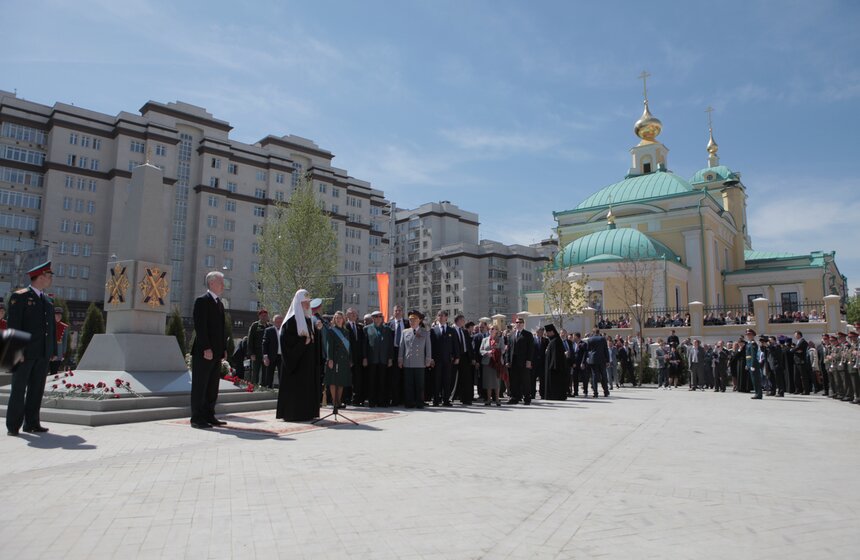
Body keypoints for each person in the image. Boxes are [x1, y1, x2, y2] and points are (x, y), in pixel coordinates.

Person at [6, 261, 56, 436]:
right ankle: (13, 426)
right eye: (48, 276)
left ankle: (32, 423)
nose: (50, 279)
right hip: (23, 353)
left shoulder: (48, 300)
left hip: (42, 353)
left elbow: (51, 329)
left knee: (37, 390)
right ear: (40, 276)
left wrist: (52, 351)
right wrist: (14, 352)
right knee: (18, 390)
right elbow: (13, 325)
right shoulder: (19, 296)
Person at [189, 271, 228, 429]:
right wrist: (206, 347)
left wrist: (223, 349)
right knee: (200, 385)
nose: (223, 286)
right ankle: (197, 418)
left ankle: (209, 415)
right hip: (204, 352)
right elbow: (201, 327)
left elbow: (221, 329)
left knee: (212, 386)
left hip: (216, 353)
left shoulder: (219, 303)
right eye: (221, 283)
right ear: (211, 283)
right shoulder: (202, 301)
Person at [277, 289, 322, 422]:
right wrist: (303, 342)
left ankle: (307, 412)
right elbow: (287, 342)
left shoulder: (308, 320)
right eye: (304, 302)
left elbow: (311, 339)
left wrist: (316, 334)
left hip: (307, 363)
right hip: (295, 365)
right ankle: (294, 414)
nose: (307, 305)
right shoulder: (290, 321)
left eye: (308, 302)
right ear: (298, 303)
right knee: (295, 390)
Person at [399, 310, 432, 408]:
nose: (412, 322)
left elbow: (428, 348)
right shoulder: (405, 332)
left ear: (419, 321)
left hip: (420, 362)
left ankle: (419, 402)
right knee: (408, 384)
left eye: (414, 320)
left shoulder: (425, 332)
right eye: (410, 320)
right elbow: (402, 347)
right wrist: (400, 360)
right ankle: (409, 402)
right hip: (408, 362)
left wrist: (428, 360)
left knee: (420, 385)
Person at [363, 311, 393, 407]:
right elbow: (364, 345)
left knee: (382, 381)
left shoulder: (387, 329)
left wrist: (390, 358)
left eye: (380, 316)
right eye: (376, 316)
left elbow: (390, 345)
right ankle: (372, 401)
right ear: (372, 318)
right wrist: (364, 357)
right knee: (372, 381)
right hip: (372, 359)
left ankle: (382, 401)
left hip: (383, 359)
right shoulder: (367, 329)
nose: (378, 318)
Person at [325, 311, 352, 411]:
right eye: (336, 318)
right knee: (333, 381)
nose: (338, 319)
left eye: (340, 318)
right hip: (334, 358)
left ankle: (339, 401)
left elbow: (349, 347)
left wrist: (350, 359)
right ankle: (334, 401)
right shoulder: (331, 331)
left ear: (343, 319)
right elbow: (329, 346)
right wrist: (330, 359)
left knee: (341, 381)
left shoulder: (346, 332)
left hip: (344, 359)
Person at [430, 311, 458, 407]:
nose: (441, 317)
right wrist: (431, 358)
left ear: (446, 317)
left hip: (448, 360)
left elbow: (455, 345)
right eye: (439, 315)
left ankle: (446, 400)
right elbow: (431, 346)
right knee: (436, 380)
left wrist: (457, 356)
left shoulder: (452, 330)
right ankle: (436, 400)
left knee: (447, 380)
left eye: (443, 316)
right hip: (437, 360)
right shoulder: (433, 330)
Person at [505, 317, 534, 404]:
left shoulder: (528, 334)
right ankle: (515, 397)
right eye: (517, 322)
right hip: (513, 362)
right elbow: (508, 349)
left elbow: (531, 349)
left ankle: (527, 398)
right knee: (514, 380)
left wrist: (529, 360)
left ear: (523, 324)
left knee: (525, 381)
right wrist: (507, 361)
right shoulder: (511, 335)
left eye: (520, 322)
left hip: (524, 361)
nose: (518, 324)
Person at [452, 314, 475, 405]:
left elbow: (469, 345)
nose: (464, 322)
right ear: (458, 320)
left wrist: (472, 358)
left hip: (465, 357)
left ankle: (466, 398)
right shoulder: (452, 330)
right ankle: (451, 397)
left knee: (466, 378)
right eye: (463, 320)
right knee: (453, 377)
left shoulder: (464, 331)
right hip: (455, 357)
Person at [479, 325, 504, 406]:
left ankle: (497, 399)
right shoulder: (484, 339)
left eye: (494, 329)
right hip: (487, 363)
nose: (492, 330)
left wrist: (496, 352)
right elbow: (481, 350)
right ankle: (488, 399)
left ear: (497, 330)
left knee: (497, 382)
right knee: (488, 382)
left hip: (497, 363)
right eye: (490, 329)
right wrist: (487, 353)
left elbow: (503, 350)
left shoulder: (500, 339)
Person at [345, 307, 365, 406]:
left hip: (359, 358)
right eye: (351, 313)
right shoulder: (345, 326)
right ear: (347, 315)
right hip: (349, 358)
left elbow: (363, 343)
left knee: (358, 379)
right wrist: (349, 358)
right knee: (349, 379)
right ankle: (347, 398)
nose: (353, 315)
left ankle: (357, 399)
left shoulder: (360, 327)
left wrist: (364, 357)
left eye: (355, 313)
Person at [388, 305, 408, 406]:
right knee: (394, 377)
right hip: (394, 351)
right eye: (396, 311)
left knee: (405, 376)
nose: (398, 312)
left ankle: (404, 399)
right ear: (393, 312)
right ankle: (395, 399)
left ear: (402, 312)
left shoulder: (407, 323)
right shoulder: (389, 324)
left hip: (405, 352)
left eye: (400, 311)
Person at [543, 324, 568, 400]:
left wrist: (553, 365)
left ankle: (555, 395)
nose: (547, 334)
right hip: (552, 365)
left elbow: (556, 355)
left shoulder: (556, 341)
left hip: (554, 367)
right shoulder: (553, 340)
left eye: (548, 332)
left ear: (552, 332)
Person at [584, 328, 610, 398]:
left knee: (594, 376)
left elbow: (588, 350)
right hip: (602, 359)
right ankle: (606, 391)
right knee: (603, 375)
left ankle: (595, 393)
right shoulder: (602, 339)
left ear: (593, 332)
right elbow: (606, 350)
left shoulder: (590, 339)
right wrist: (607, 360)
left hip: (593, 360)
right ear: (599, 332)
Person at [246, 309, 269, 384]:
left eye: (265, 316)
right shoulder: (255, 325)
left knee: (265, 372)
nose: (264, 317)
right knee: (255, 372)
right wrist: (251, 353)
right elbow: (250, 340)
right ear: (259, 316)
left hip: (266, 354)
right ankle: (254, 387)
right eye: (262, 316)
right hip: (256, 353)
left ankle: (264, 387)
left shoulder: (270, 326)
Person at [261, 314, 283, 389]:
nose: (279, 323)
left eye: (280, 321)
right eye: (277, 321)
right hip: (271, 356)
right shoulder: (269, 330)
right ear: (274, 322)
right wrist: (265, 356)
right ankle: (269, 388)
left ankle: (282, 390)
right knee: (269, 373)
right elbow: (265, 344)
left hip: (282, 356)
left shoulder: (285, 331)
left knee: (282, 374)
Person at [50, 306, 69, 377]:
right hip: (49, 350)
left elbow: (65, 341)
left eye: (60, 315)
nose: (58, 316)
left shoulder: (64, 326)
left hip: (59, 351)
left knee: (54, 372)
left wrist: (63, 353)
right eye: (57, 314)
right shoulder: (49, 325)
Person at [745, 329, 763, 399]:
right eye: (747, 335)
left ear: (753, 335)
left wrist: (752, 365)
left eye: (749, 335)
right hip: (749, 363)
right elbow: (747, 356)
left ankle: (758, 394)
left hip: (754, 364)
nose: (748, 336)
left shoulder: (753, 343)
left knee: (756, 379)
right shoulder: (748, 343)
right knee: (753, 379)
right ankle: (757, 393)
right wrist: (747, 364)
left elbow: (753, 355)